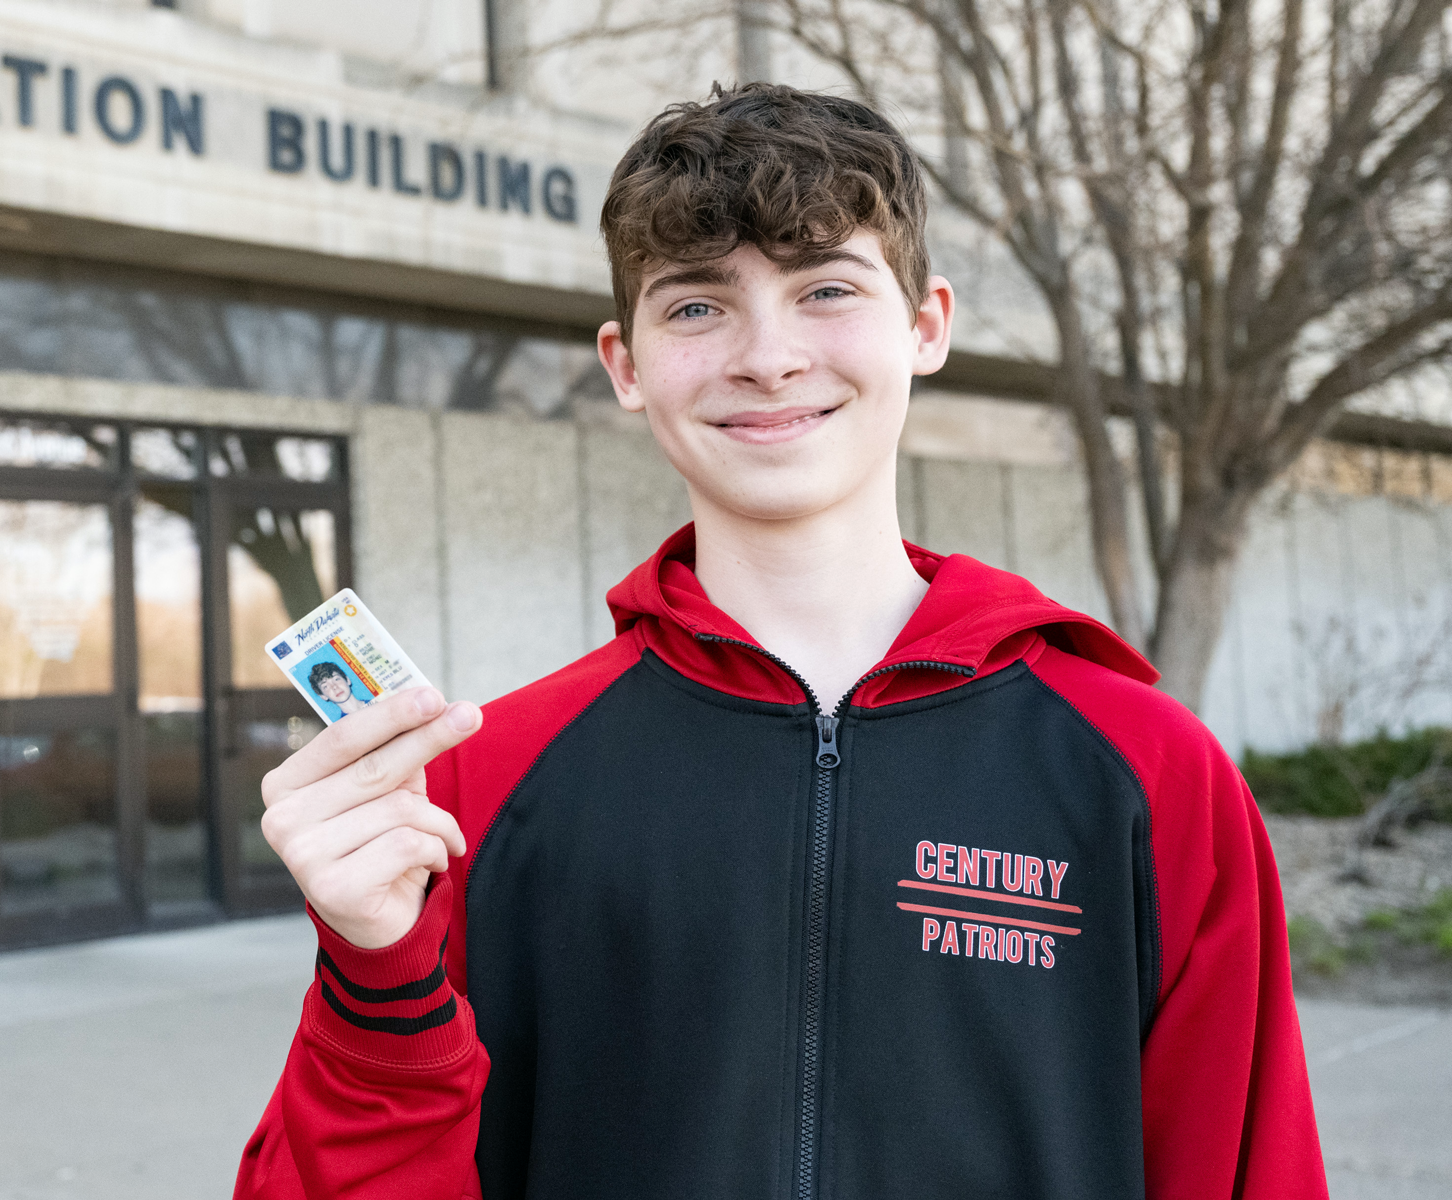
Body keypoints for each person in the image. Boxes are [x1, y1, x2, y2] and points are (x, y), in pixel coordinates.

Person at [235, 83, 1325, 1199]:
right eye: (698, 307)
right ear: (625, 363)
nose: (768, 356)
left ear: (927, 326)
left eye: (827, 290)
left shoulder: (1150, 774)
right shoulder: (479, 786)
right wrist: (375, 983)